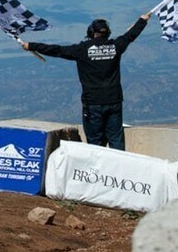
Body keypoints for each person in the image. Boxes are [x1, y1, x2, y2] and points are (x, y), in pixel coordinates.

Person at [21, 13, 150, 150]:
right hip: (114, 101)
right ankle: (117, 169)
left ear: (91, 32)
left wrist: (32, 45)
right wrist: (142, 20)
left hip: (93, 103)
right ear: (107, 33)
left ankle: (96, 170)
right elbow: (130, 36)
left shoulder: (82, 50)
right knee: (116, 139)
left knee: (95, 143)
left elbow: (57, 50)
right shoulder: (115, 47)